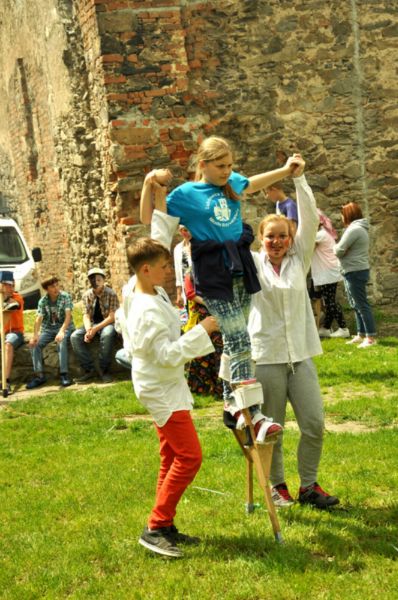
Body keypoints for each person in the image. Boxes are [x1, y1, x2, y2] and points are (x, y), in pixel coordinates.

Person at [140, 136, 302, 441]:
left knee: (235, 340)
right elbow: (152, 219)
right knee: (240, 337)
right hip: (213, 272)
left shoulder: (231, 184)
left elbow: (251, 183)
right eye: (220, 166)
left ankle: (230, 402)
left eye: (229, 165)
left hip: (239, 267)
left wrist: (284, 170)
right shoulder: (186, 194)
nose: (227, 171)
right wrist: (150, 186)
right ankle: (251, 410)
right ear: (203, 165)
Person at [248, 159, 340, 509]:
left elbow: (311, 216)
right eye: (270, 236)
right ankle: (278, 486)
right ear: (261, 239)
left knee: (314, 422)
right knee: (272, 429)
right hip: (267, 356)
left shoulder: (298, 259)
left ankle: (310, 486)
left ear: (291, 238)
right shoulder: (254, 263)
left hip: (300, 355)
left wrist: (298, 178)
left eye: (283, 236)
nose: (277, 242)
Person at [127, 237, 217, 558]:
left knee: (170, 456)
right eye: (165, 267)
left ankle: (163, 525)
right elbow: (165, 355)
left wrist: (155, 189)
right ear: (147, 269)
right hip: (159, 388)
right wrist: (202, 330)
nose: (170, 271)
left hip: (165, 384)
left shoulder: (149, 289)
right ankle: (155, 525)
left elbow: (156, 231)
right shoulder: (145, 309)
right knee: (190, 457)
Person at [334, 202, 376, 348]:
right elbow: (342, 250)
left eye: (342, 214)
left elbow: (338, 250)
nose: (340, 218)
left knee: (361, 304)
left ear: (348, 214)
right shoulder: (357, 228)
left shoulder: (354, 229)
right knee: (355, 304)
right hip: (352, 270)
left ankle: (370, 337)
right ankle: (361, 334)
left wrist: (337, 248)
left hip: (355, 270)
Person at [71, 267, 119, 383]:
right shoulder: (87, 295)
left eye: (98, 279)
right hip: (92, 323)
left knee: (107, 335)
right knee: (75, 337)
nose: (96, 282)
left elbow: (112, 317)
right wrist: (88, 330)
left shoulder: (111, 294)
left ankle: (104, 370)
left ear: (103, 280)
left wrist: (95, 329)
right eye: (93, 279)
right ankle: (89, 370)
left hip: (108, 323)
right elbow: (86, 315)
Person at [27, 276, 75, 388]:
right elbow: (38, 319)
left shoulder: (65, 297)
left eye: (57, 285)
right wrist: (35, 335)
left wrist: (62, 331)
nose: (56, 288)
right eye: (52, 286)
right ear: (46, 289)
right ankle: (39, 376)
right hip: (48, 329)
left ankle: (64, 374)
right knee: (35, 345)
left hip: (65, 327)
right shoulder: (43, 301)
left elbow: (68, 317)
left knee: (61, 341)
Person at [311, 210, 350, 339]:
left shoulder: (320, 235)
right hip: (328, 271)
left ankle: (343, 328)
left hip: (327, 271)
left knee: (330, 301)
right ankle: (326, 328)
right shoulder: (324, 233)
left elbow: (307, 247)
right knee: (329, 300)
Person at [0, 270, 24, 395]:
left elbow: (14, 305)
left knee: (8, 344)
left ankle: (6, 381)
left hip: (15, 332)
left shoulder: (16, 297)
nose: (10, 287)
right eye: (6, 285)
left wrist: (6, 300)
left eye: (11, 285)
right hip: (1, 332)